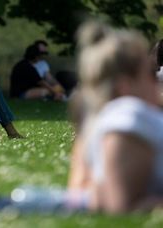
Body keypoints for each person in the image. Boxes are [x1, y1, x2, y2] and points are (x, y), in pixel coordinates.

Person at [68, 21, 163, 213]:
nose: (157, 84)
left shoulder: (95, 120)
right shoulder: (129, 115)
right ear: (125, 85)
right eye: (151, 76)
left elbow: (77, 193)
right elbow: (120, 204)